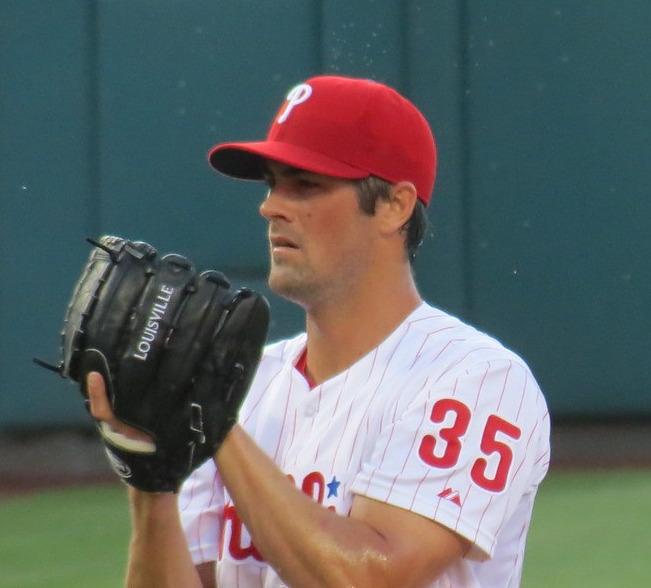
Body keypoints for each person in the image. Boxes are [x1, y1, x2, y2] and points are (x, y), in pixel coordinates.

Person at [86, 75, 551, 587]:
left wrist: (212, 419)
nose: (271, 206)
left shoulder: (476, 380)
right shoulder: (246, 384)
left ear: (394, 206)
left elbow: (369, 578)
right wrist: (150, 482)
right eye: (271, 183)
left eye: (305, 184)